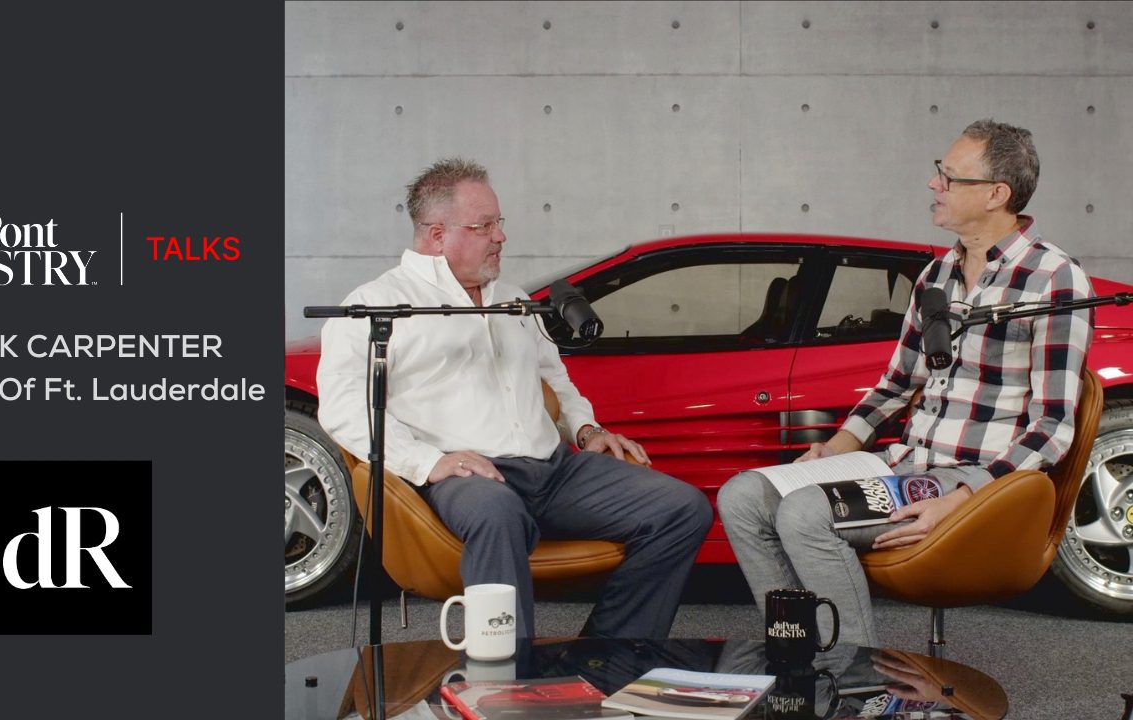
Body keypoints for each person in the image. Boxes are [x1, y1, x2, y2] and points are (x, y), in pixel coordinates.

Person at [717, 119, 1095, 646]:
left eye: (950, 176)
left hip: (973, 480)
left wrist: (966, 496)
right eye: (939, 172)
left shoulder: (1053, 279)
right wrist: (836, 448)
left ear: (996, 194)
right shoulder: (935, 277)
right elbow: (895, 385)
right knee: (742, 496)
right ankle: (800, 654)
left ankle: (851, 674)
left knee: (805, 513)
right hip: (904, 465)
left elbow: (1053, 426)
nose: (934, 184)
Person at [317, 158, 712, 639]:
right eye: (484, 226)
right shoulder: (377, 304)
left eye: (498, 223)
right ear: (437, 235)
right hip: (466, 477)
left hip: (554, 471)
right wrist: (429, 462)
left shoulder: (514, 300)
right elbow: (343, 407)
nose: (500, 236)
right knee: (496, 513)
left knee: (681, 508)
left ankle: (606, 654)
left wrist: (586, 429)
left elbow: (553, 376)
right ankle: (503, 672)